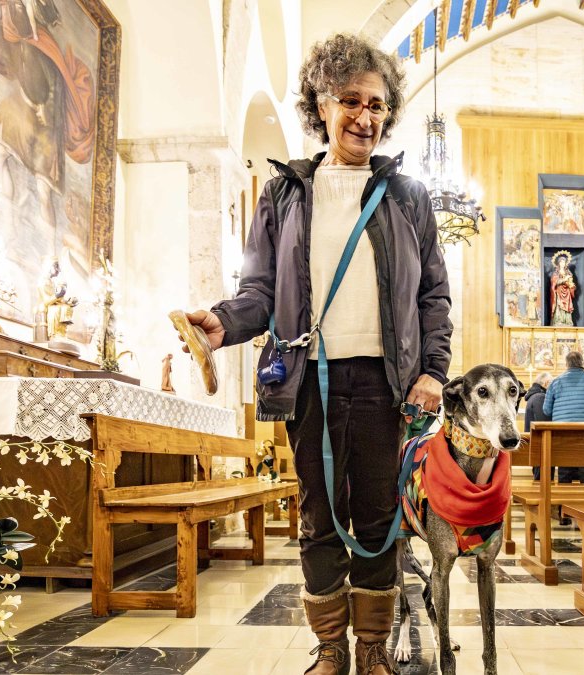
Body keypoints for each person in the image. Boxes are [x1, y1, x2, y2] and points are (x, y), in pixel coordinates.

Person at [179, 33, 450, 675]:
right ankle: (330, 650)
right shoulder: (283, 195)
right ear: (321, 104)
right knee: (319, 516)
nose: (366, 116)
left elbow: (434, 295)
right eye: (351, 100)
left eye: (378, 104)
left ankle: (372, 653)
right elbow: (261, 290)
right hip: (311, 382)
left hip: (387, 386)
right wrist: (221, 322)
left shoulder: (409, 196)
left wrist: (434, 371)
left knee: (380, 517)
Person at [543, 351, 584, 483]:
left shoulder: (555, 382)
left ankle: (562, 501)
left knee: (564, 467)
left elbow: (546, 410)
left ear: (566, 364)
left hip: (562, 430)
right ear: (582, 362)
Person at [524, 373, 553, 480]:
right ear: (546, 383)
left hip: (537, 442)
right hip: (541, 444)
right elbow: (544, 422)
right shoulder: (540, 397)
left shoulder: (535, 395)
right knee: (542, 478)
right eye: (552, 383)